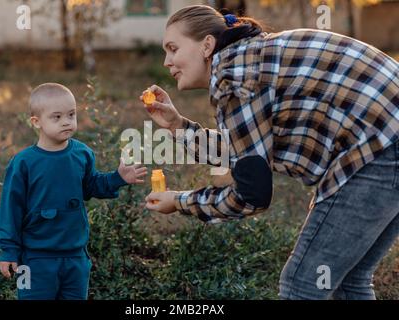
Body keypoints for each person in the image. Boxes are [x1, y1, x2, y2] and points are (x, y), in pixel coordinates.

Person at [142, 5, 399, 300]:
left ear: (207, 45)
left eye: (173, 49)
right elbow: (247, 149)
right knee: (347, 280)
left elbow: (253, 195)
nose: (166, 61)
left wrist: (180, 201)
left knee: (301, 284)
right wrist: (176, 126)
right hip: (387, 138)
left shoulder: (235, 79)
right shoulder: (247, 60)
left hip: (382, 146)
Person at [0, 83, 147, 299]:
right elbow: (10, 210)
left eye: (71, 114)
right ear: (36, 122)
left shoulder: (82, 153)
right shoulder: (23, 163)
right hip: (34, 259)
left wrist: (118, 178)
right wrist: (8, 250)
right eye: (56, 117)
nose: (67, 121)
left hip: (75, 257)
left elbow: (91, 186)